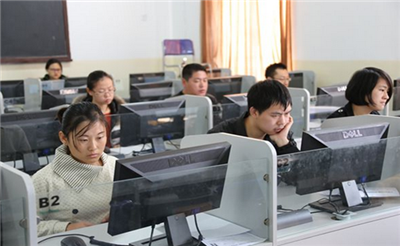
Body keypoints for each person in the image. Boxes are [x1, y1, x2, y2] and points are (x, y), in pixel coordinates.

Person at [32, 102, 118, 236]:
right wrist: (66, 228)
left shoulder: (114, 166)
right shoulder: (44, 180)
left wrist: (122, 214)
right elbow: (26, 224)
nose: (93, 147)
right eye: (84, 140)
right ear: (63, 138)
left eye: (100, 137)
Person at [208, 80, 299, 155]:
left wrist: (282, 141)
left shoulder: (282, 133)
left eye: (287, 114)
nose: (282, 122)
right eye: (274, 115)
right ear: (254, 112)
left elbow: (301, 172)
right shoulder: (220, 136)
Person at [73, 70, 125, 148]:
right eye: (101, 91)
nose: (107, 94)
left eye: (110, 89)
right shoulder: (81, 114)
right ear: (90, 91)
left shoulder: (120, 110)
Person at [327, 67, 393, 119]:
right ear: (364, 90)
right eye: (382, 90)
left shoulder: (376, 118)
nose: (386, 97)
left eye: (387, 91)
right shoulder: (337, 120)